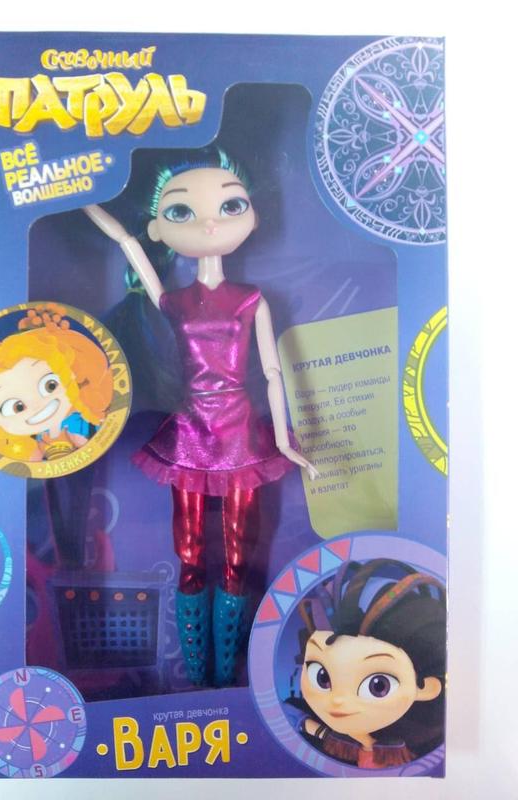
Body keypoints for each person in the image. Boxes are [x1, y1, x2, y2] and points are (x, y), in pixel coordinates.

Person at [83, 147, 317, 686]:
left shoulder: (251, 299)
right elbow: (126, 242)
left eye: (231, 206)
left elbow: (273, 372)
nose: (210, 223)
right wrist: (87, 200)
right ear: (158, 229)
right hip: (188, 431)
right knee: (188, 552)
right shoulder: (174, 301)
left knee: (238, 554)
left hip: (240, 433)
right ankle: (195, 670)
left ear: (253, 216)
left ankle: (224, 666)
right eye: (181, 212)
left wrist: (284, 442)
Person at [292, 558, 446, 769]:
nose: (338, 700)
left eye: (378, 685)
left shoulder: (425, 739)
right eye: (322, 677)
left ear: (427, 687)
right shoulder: (329, 736)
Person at [0, 304, 113, 462]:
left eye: (50, 386)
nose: (37, 406)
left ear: (73, 374)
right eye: (17, 407)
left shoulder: (83, 414)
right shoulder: (19, 443)